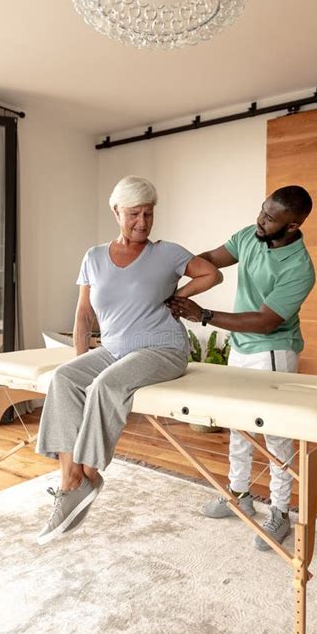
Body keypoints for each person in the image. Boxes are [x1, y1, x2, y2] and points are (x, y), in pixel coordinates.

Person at [36, 175, 222, 545]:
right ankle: (69, 481)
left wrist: (179, 296)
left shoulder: (166, 253)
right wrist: (80, 363)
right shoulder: (93, 257)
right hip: (114, 348)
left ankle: (87, 475)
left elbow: (211, 273)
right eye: (134, 214)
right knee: (63, 378)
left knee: (106, 385)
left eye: (149, 214)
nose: (142, 222)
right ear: (116, 211)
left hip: (163, 348)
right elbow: (83, 317)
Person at [167, 186, 315, 551]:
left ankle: (280, 511)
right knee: (237, 426)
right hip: (241, 348)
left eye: (269, 218)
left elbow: (266, 321)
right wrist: (173, 282)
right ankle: (238, 495)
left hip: (273, 353)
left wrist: (203, 315)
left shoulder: (300, 268)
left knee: (276, 436)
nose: (259, 221)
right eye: (261, 211)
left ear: (292, 226)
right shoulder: (250, 235)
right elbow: (207, 260)